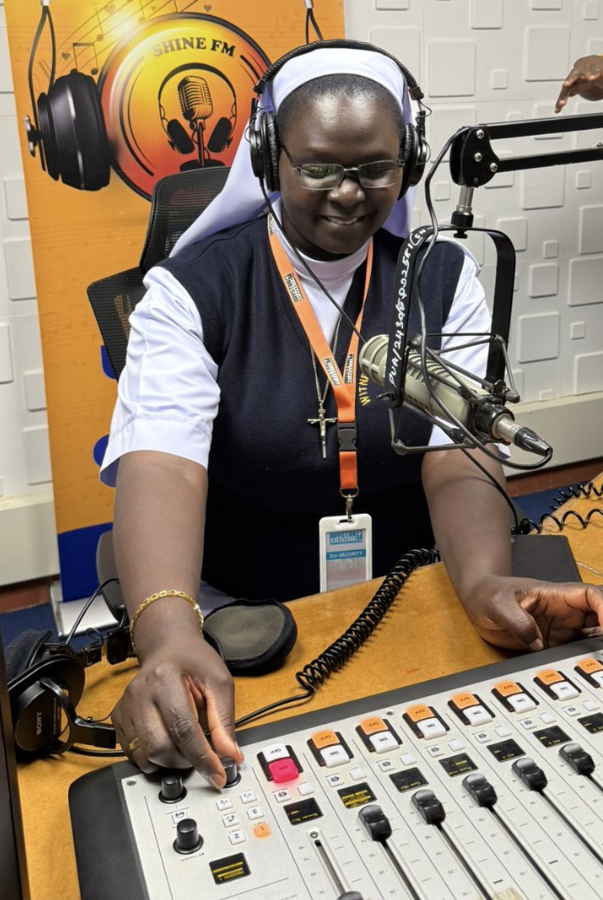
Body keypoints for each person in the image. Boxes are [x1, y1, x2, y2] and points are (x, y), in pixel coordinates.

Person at [100, 42, 603, 788]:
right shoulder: (192, 291)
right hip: (246, 615)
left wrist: (483, 579)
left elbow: (456, 447)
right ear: (270, 158)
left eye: (374, 168)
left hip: (411, 593)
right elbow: (164, 467)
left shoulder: (443, 276)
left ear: (410, 160)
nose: (348, 193)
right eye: (318, 168)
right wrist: (170, 636)